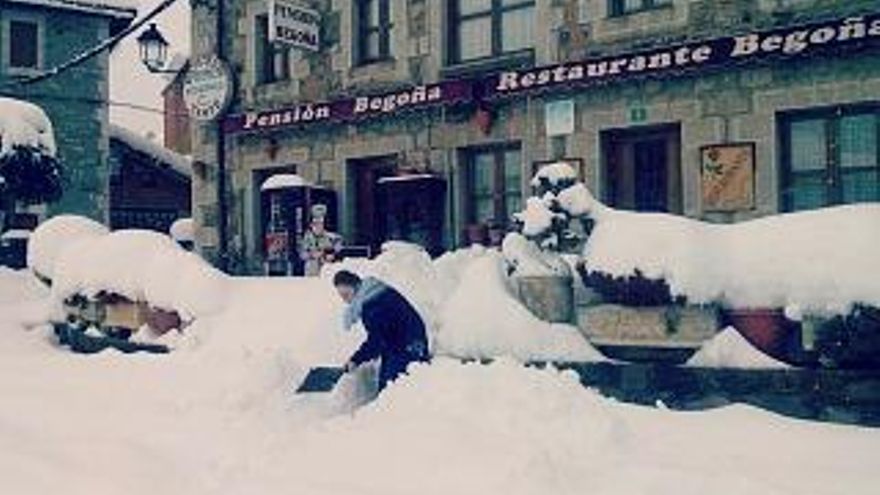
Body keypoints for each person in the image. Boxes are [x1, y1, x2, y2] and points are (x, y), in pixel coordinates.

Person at [333, 270, 430, 392]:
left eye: (346, 294)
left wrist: (356, 360)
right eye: (342, 296)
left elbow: (377, 341)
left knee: (392, 392)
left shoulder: (372, 305)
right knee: (393, 389)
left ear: (355, 286)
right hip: (407, 342)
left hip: (407, 347)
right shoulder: (376, 292)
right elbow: (384, 334)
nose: (345, 300)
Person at [300, 204, 341, 276]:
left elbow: (339, 247)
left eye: (320, 223)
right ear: (311, 225)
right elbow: (302, 254)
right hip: (311, 271)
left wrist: (332, 254)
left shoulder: (331, 237)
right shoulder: (307, 238)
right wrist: (312, 255)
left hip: (327, 270)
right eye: (315, 224)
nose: (318, 226)